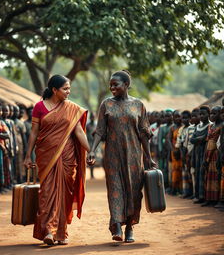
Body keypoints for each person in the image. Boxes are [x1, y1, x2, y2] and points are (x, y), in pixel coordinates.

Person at [87, 70, 156, 243]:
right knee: (115, 190)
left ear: (126, 85)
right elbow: (100, 131)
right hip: (112, 156)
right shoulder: (106, 104)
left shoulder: (138, 105)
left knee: (134, 191)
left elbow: (144, 133)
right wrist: (93, 150)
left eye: (115, 85)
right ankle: (117, 225)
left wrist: (148, 157)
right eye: (110, 85)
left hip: (133, 155)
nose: (112, 88)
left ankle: (130, 227)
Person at [24, 74, 90, 245]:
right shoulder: (39, 107)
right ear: (54, 90)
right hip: (46, 155)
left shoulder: (72, 108)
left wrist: (90, 151)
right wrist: (27, 155)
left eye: (69, 88)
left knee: (65, 195)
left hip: (68, 157)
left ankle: (61, 233)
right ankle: (47, 230)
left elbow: (79, 132)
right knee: (46, 194)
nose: (69, 91)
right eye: (65, 88)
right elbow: (34, 132)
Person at [191, 105, 210, 204]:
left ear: (208, 114)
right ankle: (198, 196)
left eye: (204, 114)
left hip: (205, 153)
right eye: (200, 114)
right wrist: (200, 139)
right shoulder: (198, 127)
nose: (201, 116)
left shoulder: (210, 126)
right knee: (198, 173)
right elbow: (192, 139)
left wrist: (198, 139)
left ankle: (205, 197)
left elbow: (205, 138)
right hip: (197, 153)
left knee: (204, 174)